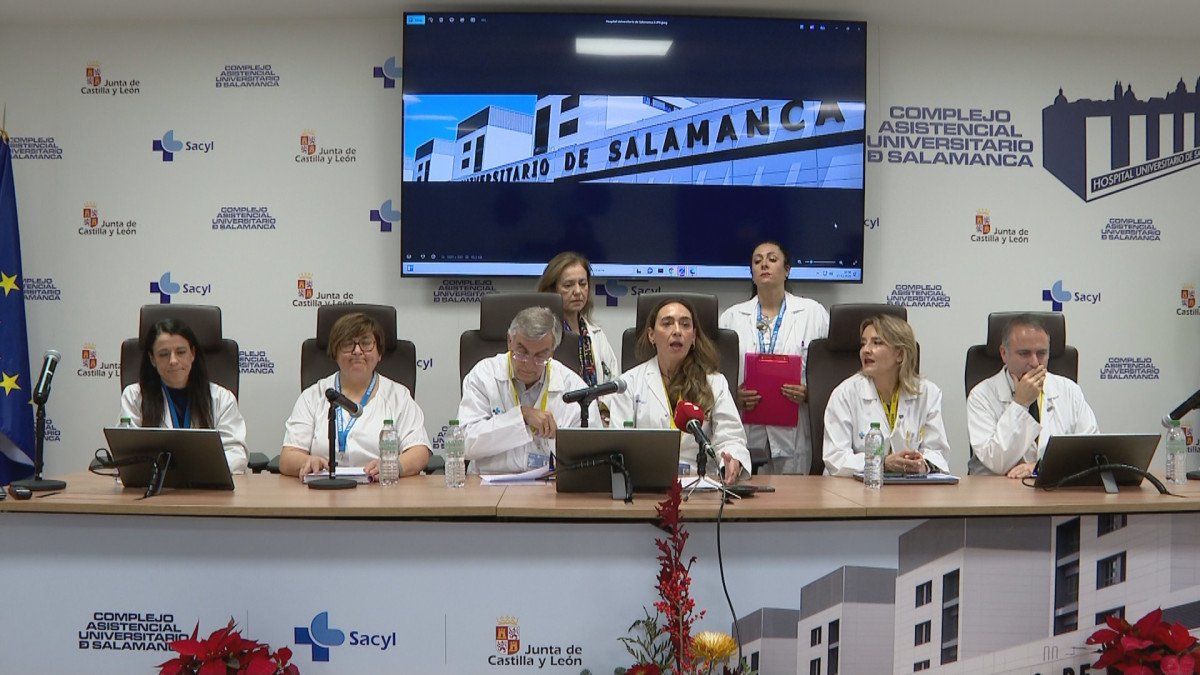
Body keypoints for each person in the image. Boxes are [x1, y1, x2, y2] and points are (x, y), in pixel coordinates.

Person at [608, 298, 751, 483]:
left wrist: (732, 461)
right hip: (646, 486)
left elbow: (731, 436)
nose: (677, 331)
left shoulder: (715, 383)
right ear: (651, 335)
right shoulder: (629, 383)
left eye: (685, 325)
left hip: (702, 484)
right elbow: (619, 443)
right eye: (667, 324)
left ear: (693, 336)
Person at [719, 240, 829, 474]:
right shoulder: (731, 318)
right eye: (757, 261)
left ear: (787, 270)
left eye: (772, 259)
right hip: (746, 424)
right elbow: (717, 376)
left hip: (794, 427)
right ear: (752, 274)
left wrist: (810, 393)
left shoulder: (813, 313)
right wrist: (733, 395)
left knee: (791, 501)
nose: (764, 265)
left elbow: (828, 372)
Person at [280, 312, 431, 480]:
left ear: (379, 353)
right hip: (323, 491)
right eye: (347, 344)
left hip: (381, 491)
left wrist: (393, 466)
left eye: (366, 343)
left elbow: (419, 451)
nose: (357, 351)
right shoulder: (313, 396)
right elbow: (288, 457)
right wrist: (306, 461)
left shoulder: (398, 396)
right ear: (335, 352)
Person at [458, 306, 600, 475]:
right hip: (488, 482)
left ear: (552, 351)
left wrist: (558, 438)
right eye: (522, 353)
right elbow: (464, 443)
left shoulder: (573, 386)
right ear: (509, 341)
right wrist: (521, 416)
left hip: (549, 487)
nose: (529, 364)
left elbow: (592, 452)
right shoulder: (483, 375)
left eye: (540, 356)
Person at [967, 314, 1098, 478]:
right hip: (998, 492)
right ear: (1004, 354)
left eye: (1042, 353)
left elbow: (1091, 453)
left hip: (1055, 490)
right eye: (1024, 354)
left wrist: (1039, 467)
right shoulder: (981, 395)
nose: (1035, 363)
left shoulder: (1069, 391)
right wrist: (1021, 404)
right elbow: (996, 462)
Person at [822, 314, 950, 477]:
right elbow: (836, 459)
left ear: (900, 355)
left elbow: (938, 452)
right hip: (853, 492)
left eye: (876, 343)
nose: (865, 350)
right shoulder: (845, 394)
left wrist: (922, 464)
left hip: (910, 490)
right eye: (863, 343)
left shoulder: (927, 393)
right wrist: (883, 462)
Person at [120, 318, 248, 473]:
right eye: (163, 354)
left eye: (181, 352)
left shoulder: (222, 398)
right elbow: (128, 454)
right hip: (155, 488)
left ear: (192, 354)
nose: (173, 361)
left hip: (208, 487)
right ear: (152, 359)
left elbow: (236, 453)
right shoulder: (134, 396)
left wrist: (194, 470)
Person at [536, 251, 621, 388]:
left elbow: (613, 380)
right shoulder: (541, 335)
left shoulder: (596, 334)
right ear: (552, 290)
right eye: (568, 285)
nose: (577, 291)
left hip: (596, 408)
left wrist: (604, 408)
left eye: (582, 284)